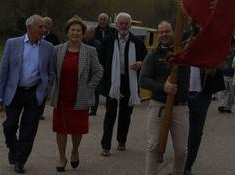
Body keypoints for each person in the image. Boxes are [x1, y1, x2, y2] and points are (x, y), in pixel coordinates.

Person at [0, 15, 57, 174]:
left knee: (29, 130)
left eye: (44, 27)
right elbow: (3, 71)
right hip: (14, 92)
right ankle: (13, 148)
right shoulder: (12, 43)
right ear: (29, 28)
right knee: (10, 125)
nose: (44, 30)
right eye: (40, 27)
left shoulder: (48, 47)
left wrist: (46, 85)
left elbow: (51, 71)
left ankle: (20, 161)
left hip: (34, 94)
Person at [50, 16, 103, 172]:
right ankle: (61, 156)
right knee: (60, 128)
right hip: (61, 96)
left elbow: (98, 71)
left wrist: (89, 88)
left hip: (80, 96)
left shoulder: (90, 51)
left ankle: (74, 150)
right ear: (67, 32)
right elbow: (51, 71)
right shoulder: (57, 50)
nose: (75, 33)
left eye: (78, 30)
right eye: (72, 30)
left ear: (83, 33)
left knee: (77, 129)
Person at [139, 21, 190, 175]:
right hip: (158, 105)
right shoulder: (153, 56)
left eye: (167, 31)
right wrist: (163, 87)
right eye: (160, 32)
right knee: (153, 146)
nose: (164, 35)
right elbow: (143, 80)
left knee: (181, 150)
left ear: (174, 33)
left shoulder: (183, 55)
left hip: (179, 106)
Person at [98, 12, 147, 156]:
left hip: (129, 82)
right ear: (116, 24)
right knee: (110, 114)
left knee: (126, 115)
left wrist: (140, 63)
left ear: (130, 25)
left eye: (126, 23)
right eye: (121, 23)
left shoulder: (137, 43)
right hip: (112, 81)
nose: (124, 26)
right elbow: (100, 58)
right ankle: (106, 145)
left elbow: (145, 60)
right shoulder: (108, 40)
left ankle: (121, 140)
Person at [185, 61, 225, 175]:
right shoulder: (181, 43)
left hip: (203, 92)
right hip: (180, 88)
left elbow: (223, 56)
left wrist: (216, 65)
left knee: (196, 132)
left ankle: (188, 165)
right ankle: (178, 162)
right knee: (177, 129)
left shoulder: (212, 45)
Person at [217, 43, 235, 113]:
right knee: (222, 91)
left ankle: (228, 107)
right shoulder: (223, 54)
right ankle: (221, 105)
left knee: (232, 93)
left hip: (233, 76)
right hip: (224, 75)